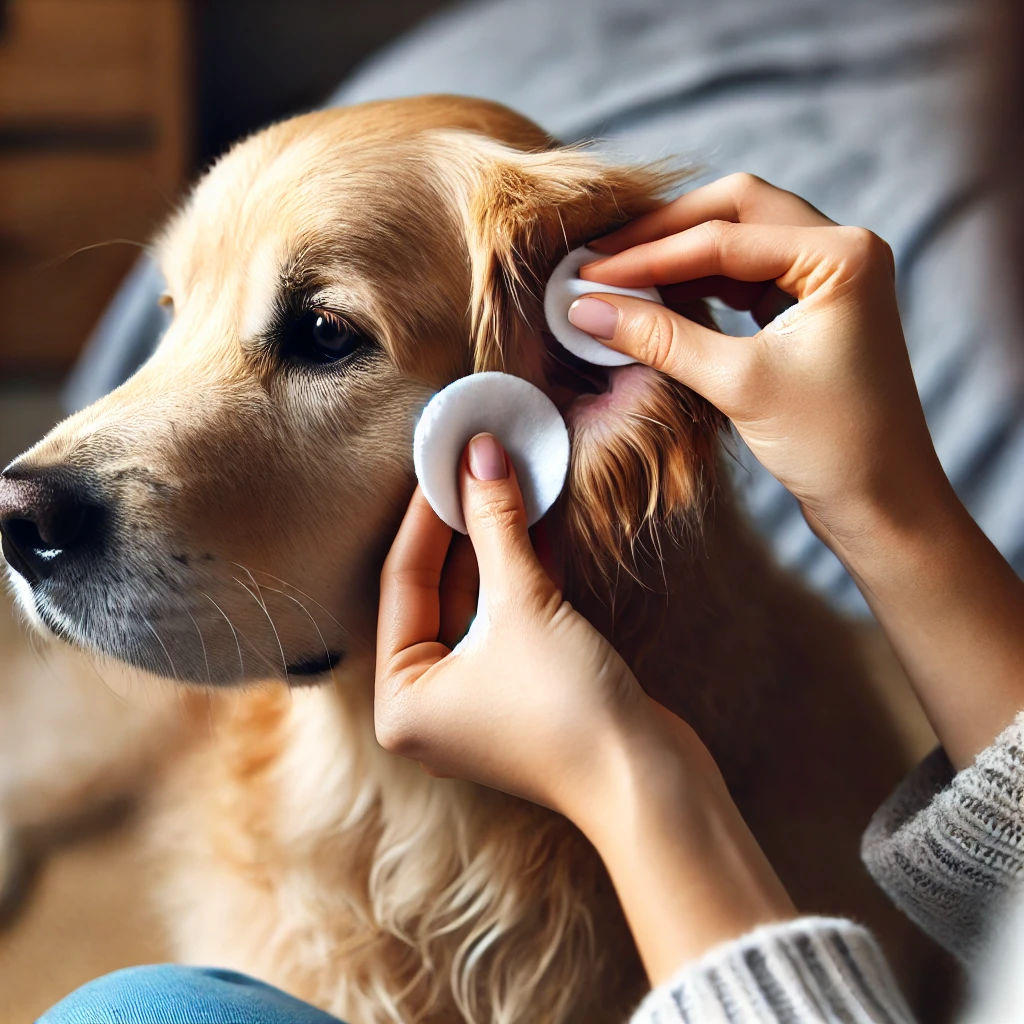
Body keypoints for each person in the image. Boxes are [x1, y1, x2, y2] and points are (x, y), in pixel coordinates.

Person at [41, 173, 1024, 1023]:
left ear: (556, 425)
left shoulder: (833, 834)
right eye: (179, 316)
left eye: (321, 333)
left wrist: (627, 776)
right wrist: (887, 500)